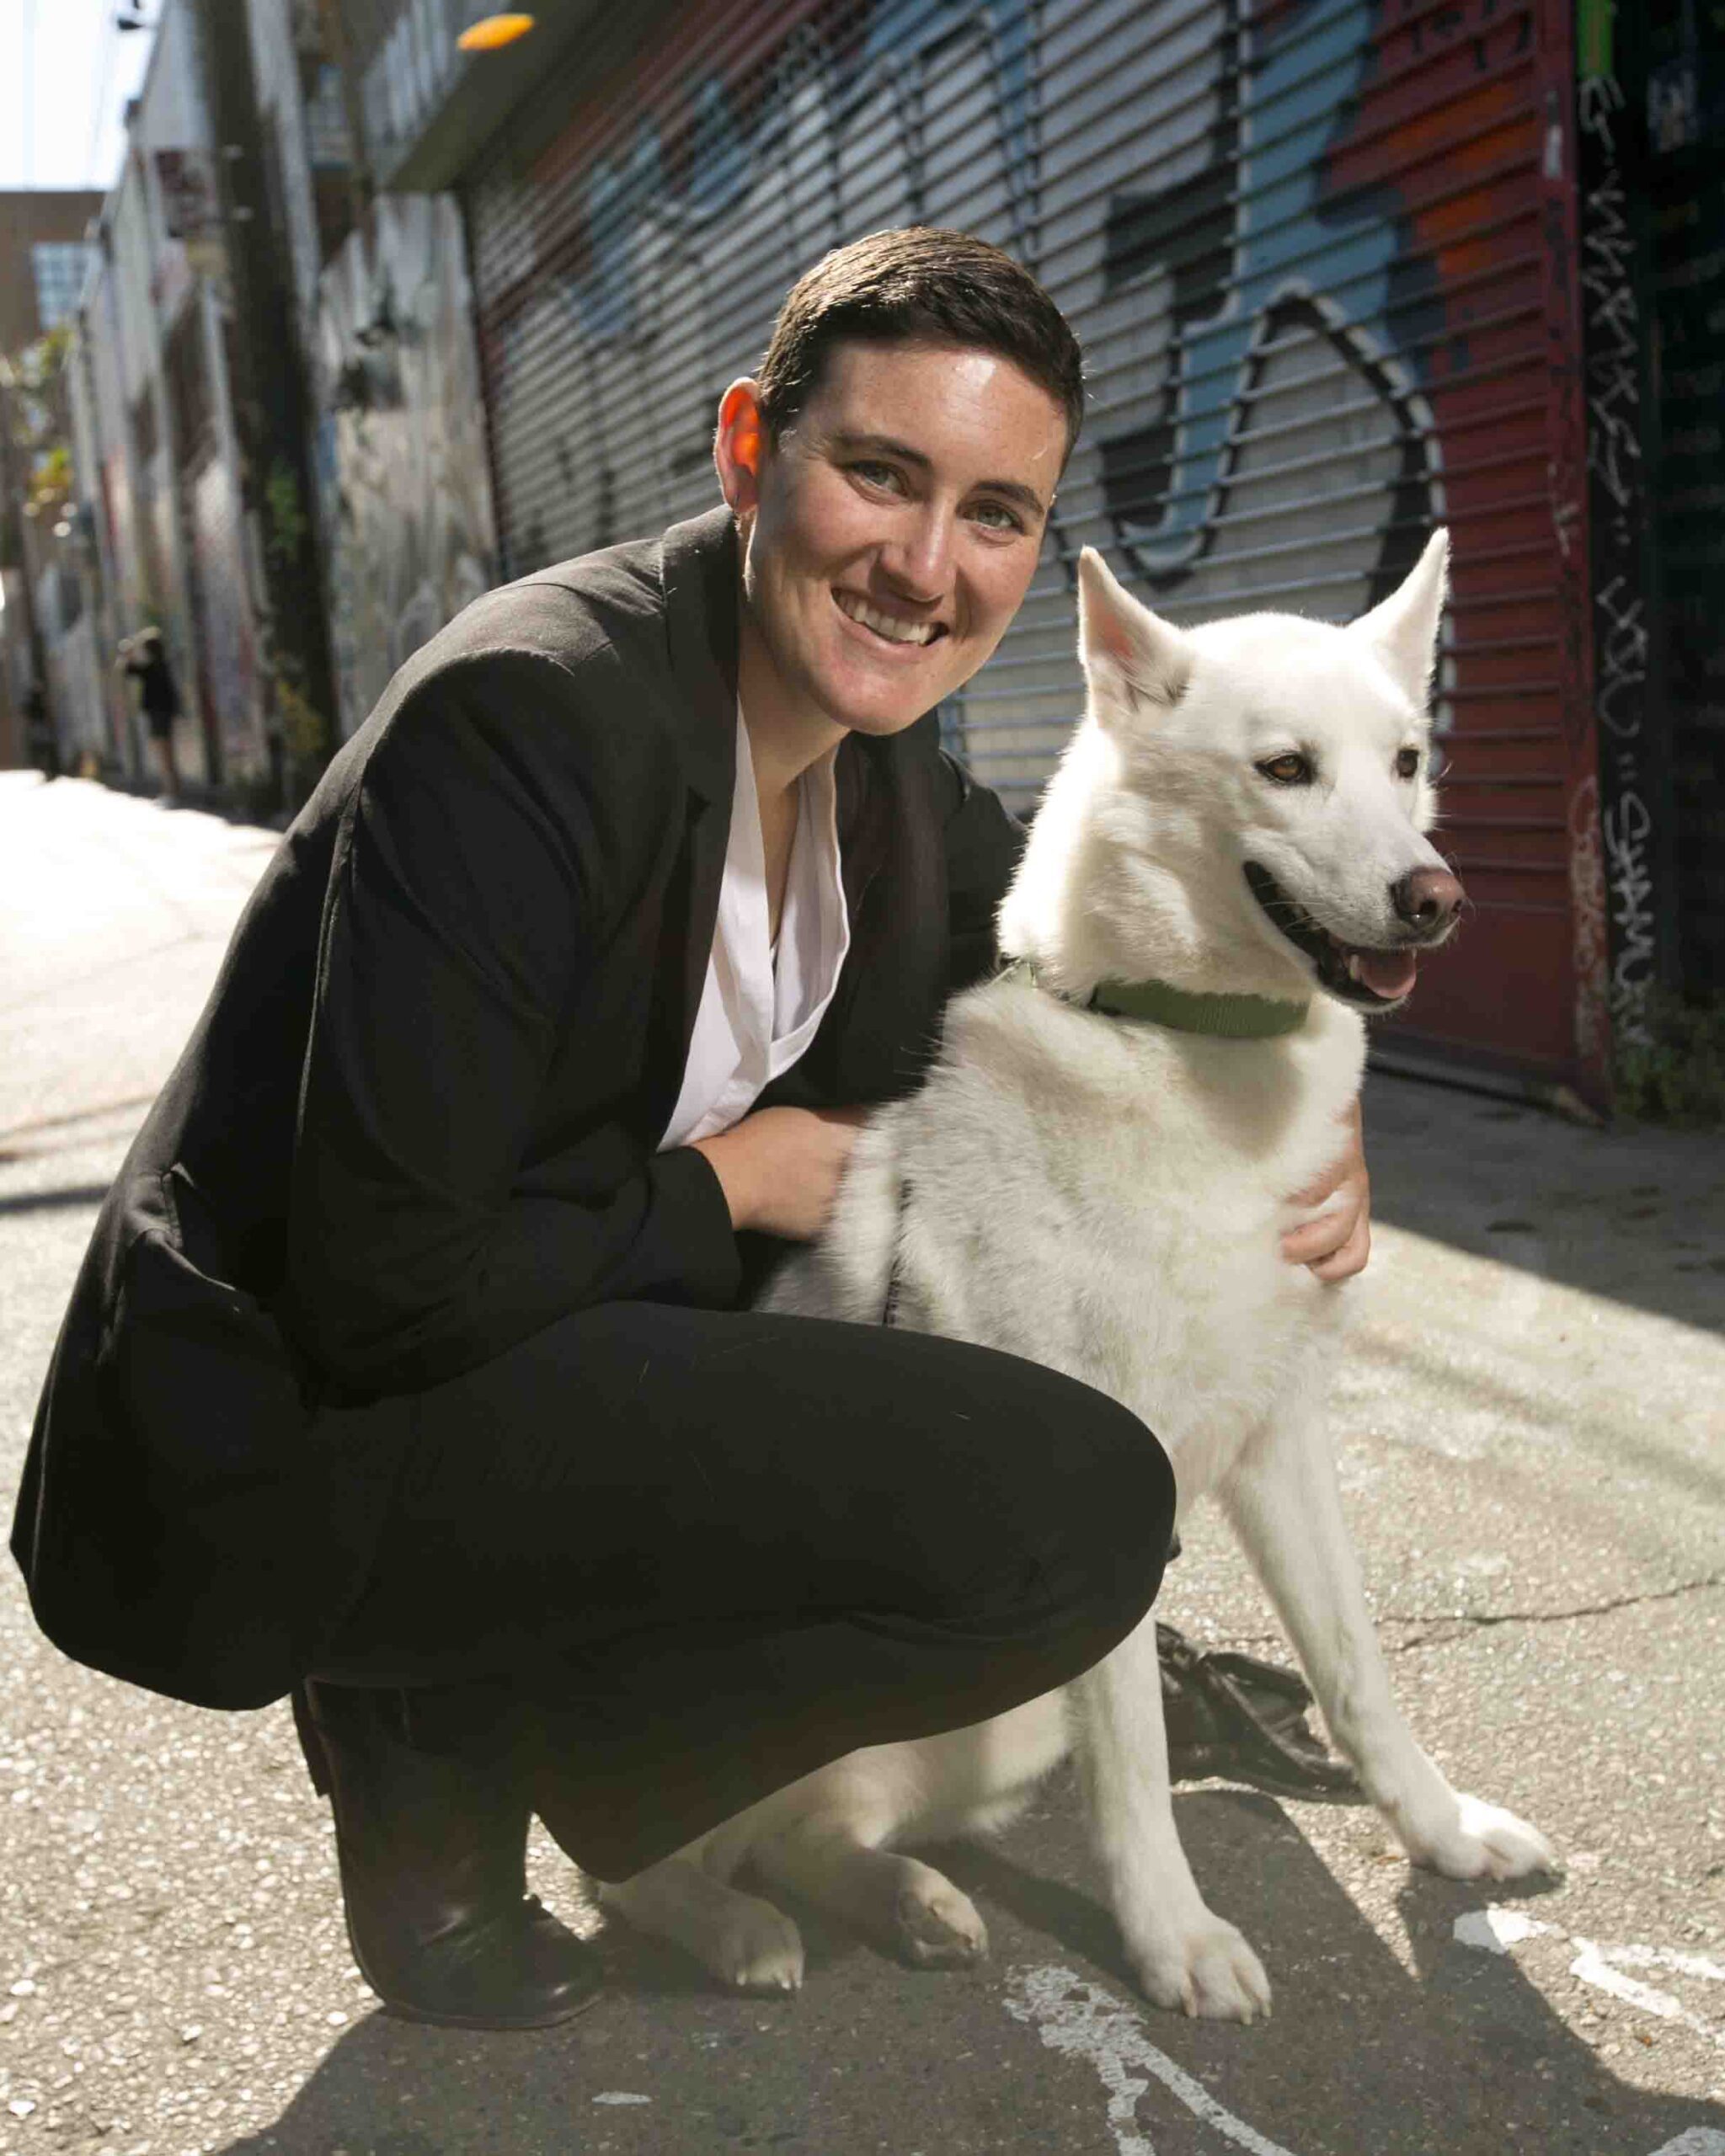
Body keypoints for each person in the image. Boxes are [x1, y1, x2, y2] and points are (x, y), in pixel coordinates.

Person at [12, 229, 1369, 2033]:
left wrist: (1286, 1107)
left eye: (992, 513)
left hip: (563, 1323)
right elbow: (383, 1282)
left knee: (1051, 1458)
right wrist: (728, 1183)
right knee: (1053, 1488)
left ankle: (618, 1753)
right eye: (878, 473)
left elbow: (1095, 960)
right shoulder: (525, 723)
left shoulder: (881, 758)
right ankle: (429, 1699)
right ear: (748, 448)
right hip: (303, 1418)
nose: (923, 564)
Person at [120, 627, 181, 802]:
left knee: (164, 753)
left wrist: (127, 652)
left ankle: (171, 791)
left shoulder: (153, 668)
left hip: (158, 714)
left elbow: (128, 670)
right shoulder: (162, 666)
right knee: (167, 752)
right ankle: (172, 789)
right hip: (164, 713)